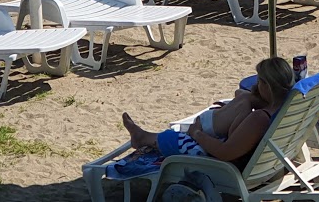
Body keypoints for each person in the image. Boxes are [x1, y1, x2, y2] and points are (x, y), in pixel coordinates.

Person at [121, 57, 294, 166]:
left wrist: (198, 134)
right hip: (265, 162)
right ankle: (145, 136)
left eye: (259, 81)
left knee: (177, 139)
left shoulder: (259, 118)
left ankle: (143, 137)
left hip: (227, 165)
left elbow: (225, 153)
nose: (256, 85)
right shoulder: (287, 108)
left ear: (267, 86)